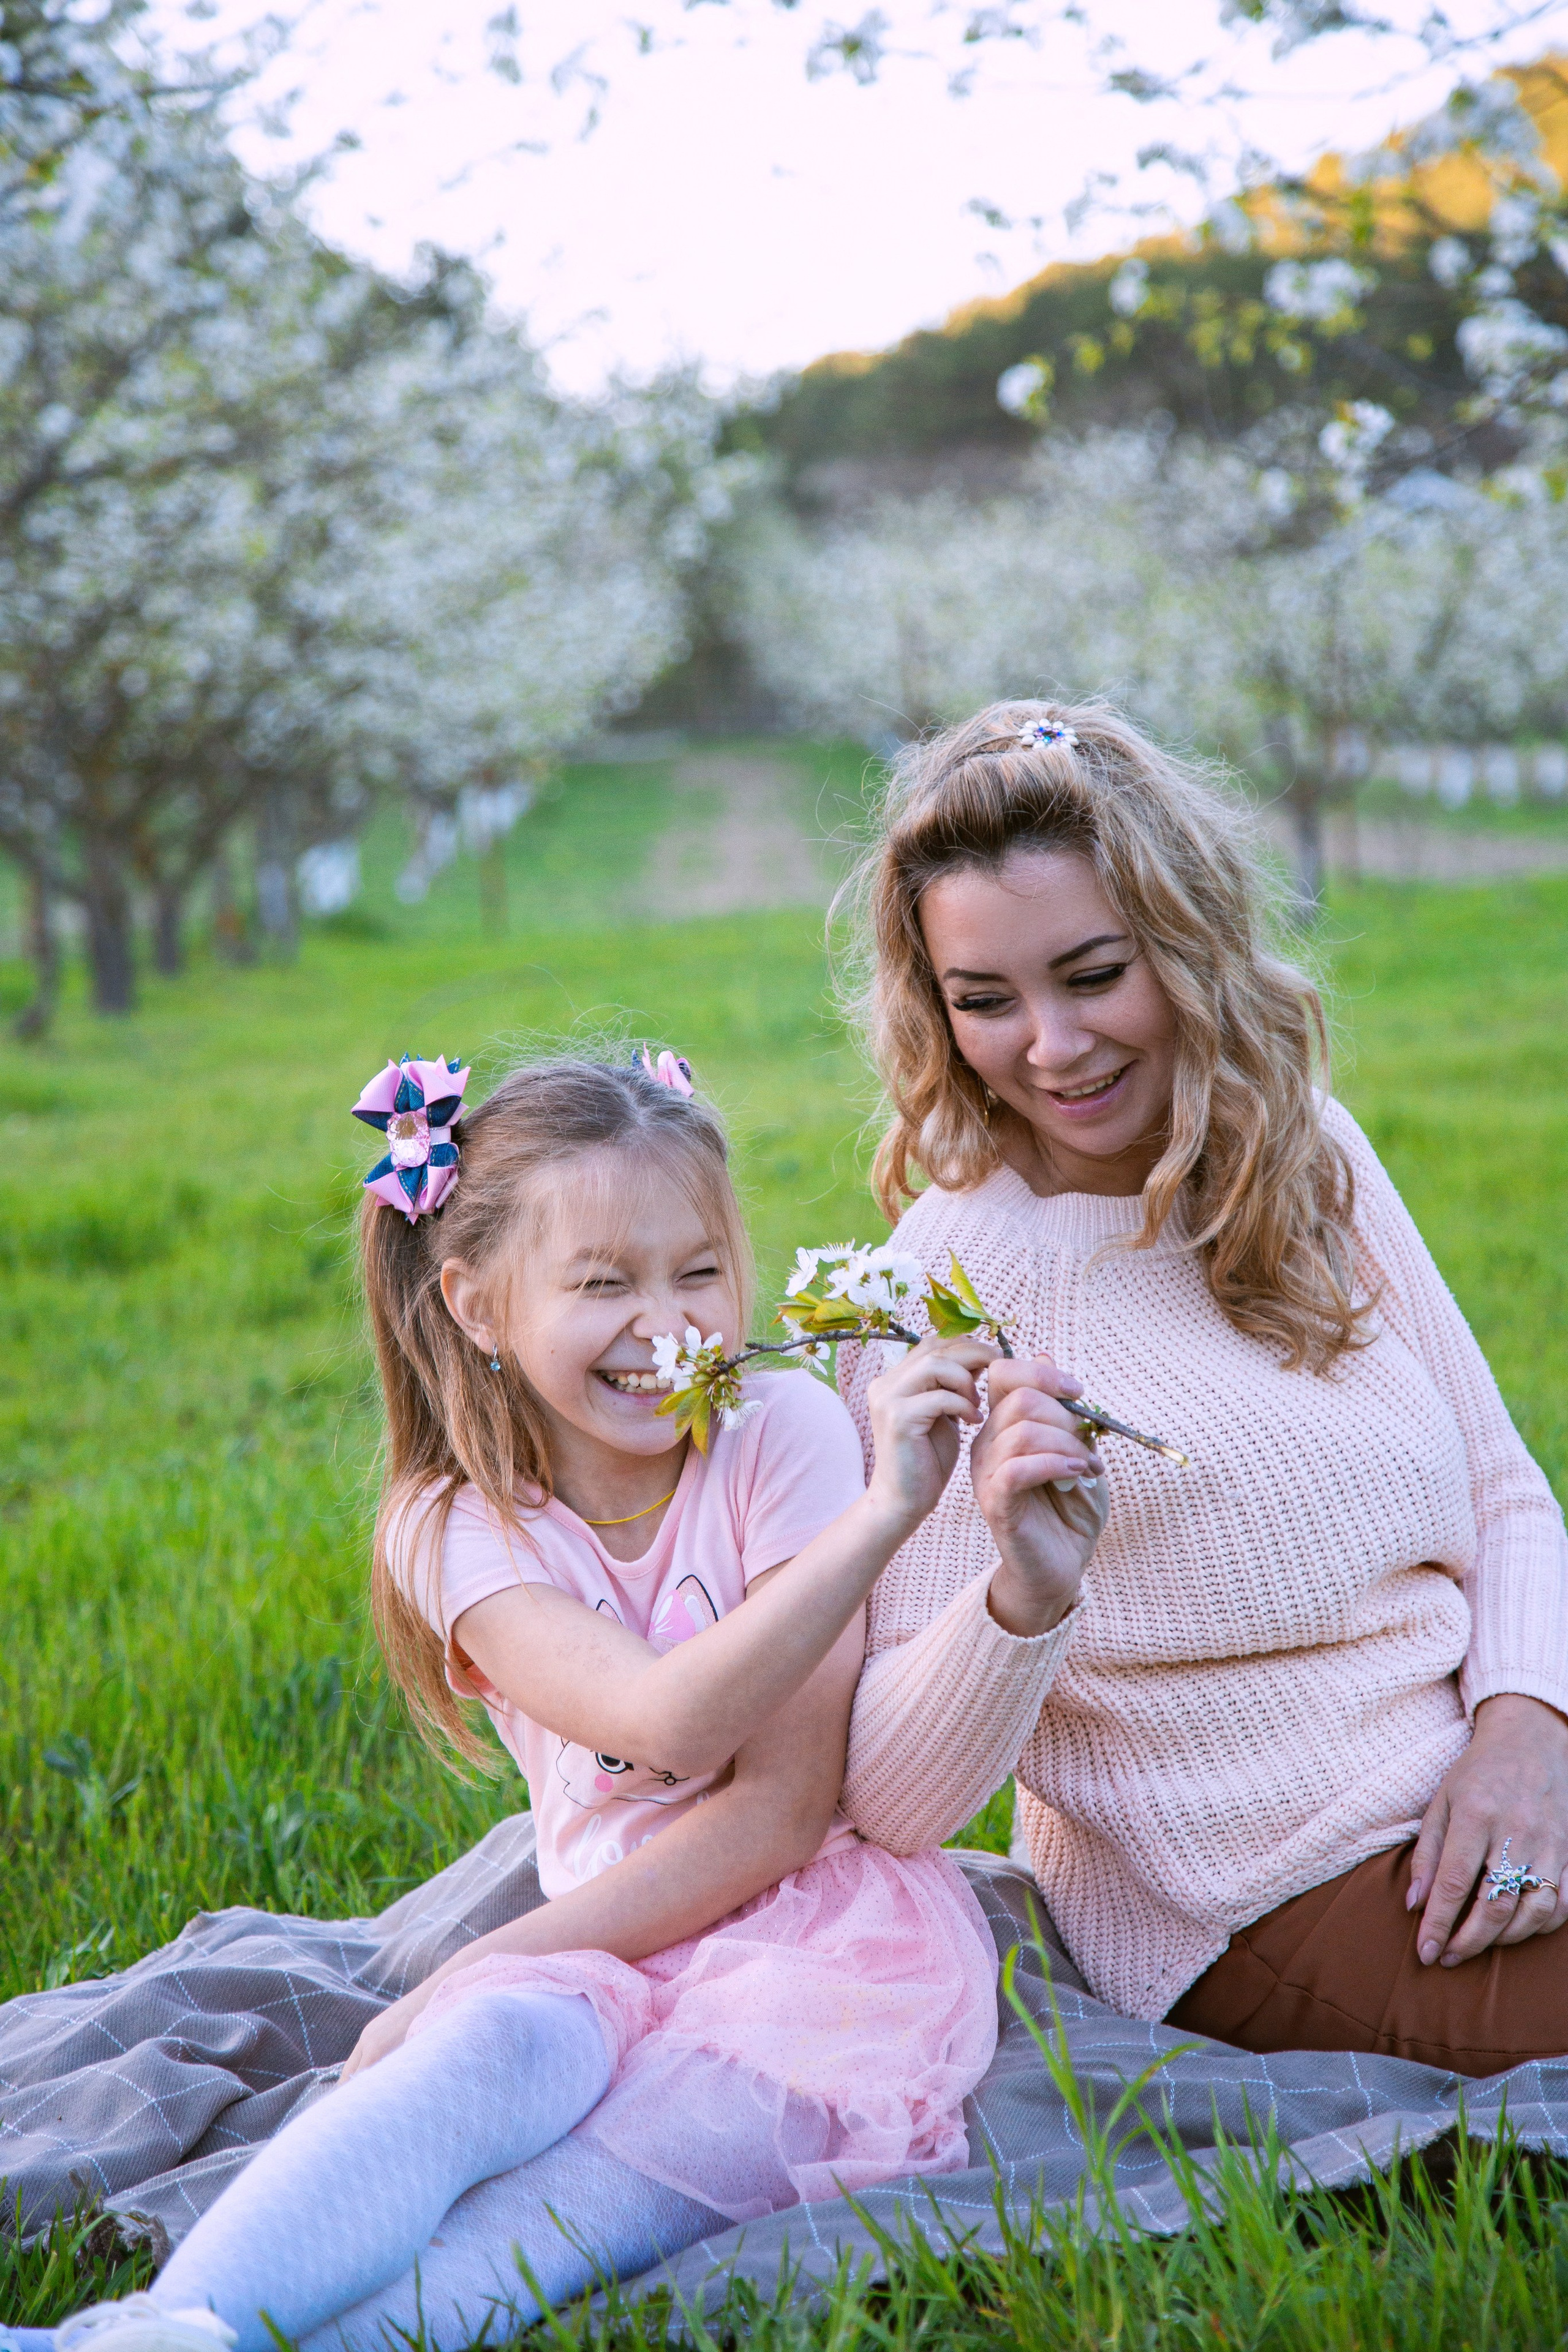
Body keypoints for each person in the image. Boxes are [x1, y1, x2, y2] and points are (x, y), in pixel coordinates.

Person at [18, 1052, 1099, 2352]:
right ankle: (164, 2327)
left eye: (698, 1271)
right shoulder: (453, 1523)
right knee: (479, 2068)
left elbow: (776, 1811)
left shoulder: (781, 1432)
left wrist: (880, 1516)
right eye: (601, 1284)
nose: (667, 1328)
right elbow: (659, 1719)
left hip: (811, 1951)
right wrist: (489, 1982)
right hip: (593, 1934)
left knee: (577, 2202)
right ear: (476, 1303)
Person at [834, 698, 1568, 2076]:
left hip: (1481, 1779)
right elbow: (888, 1792)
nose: (1047, 1046)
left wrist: (1527, 1730)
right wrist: (1022, 1595)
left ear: (1183, 942)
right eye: (983, 1001)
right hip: (1260, 1895)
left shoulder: (1299, 1155)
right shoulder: (946, 1294)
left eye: (1092, 974)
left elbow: (1502, 1493)